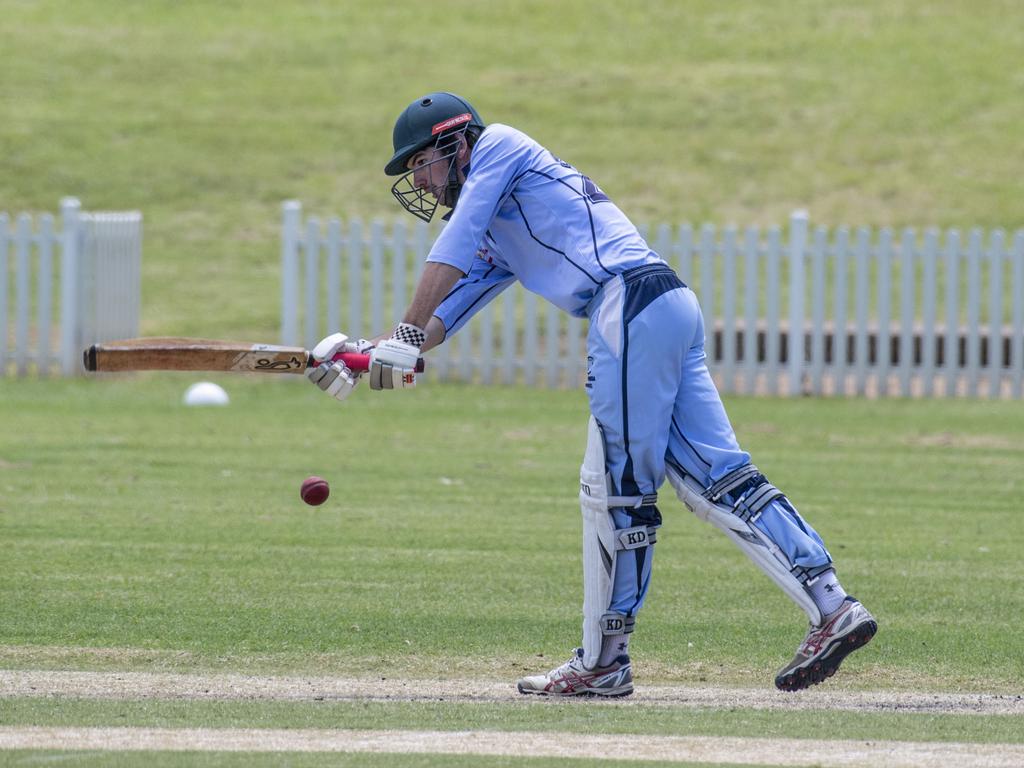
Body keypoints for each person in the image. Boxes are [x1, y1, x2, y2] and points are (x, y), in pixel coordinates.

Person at [306, 91, 877, 696]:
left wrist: (404, 334)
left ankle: (604, 661)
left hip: (626, 304)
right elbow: (448, 311)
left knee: (614, 490)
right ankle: (833, 607)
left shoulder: (499, 144)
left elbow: (447, 256)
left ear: (455, 141)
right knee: (717, 476)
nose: (419, 178)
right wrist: (365, 355)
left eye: (421, 162)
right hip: (662, 304)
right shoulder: (498, 223)